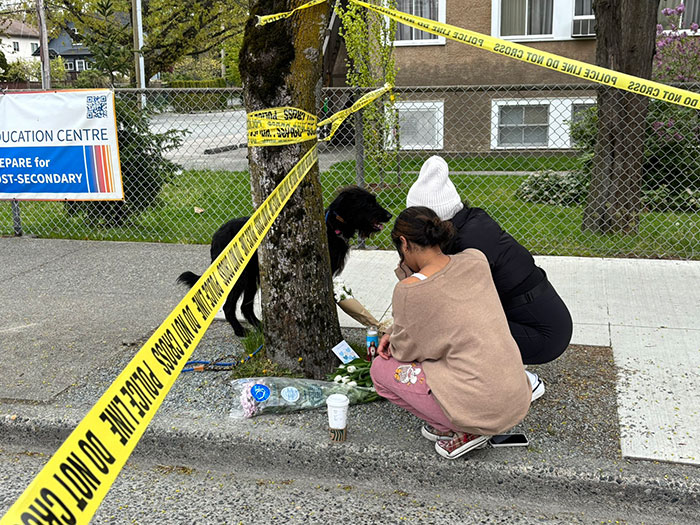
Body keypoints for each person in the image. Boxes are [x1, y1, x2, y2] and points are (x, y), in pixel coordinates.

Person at [405, 155, 573, 399]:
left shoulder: (467, 249)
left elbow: (445, 304)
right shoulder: (472, 221)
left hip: (544, 336)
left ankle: (521, 383)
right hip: (541, 319)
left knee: (452, 331)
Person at [370, 207, 531, 460]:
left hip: (481, 407)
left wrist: (395, 332)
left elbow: (404, 350)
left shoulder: (409, 290)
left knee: (380, 370)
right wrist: (398, 329)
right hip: (515, 396)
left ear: (403, 243)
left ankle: (462, 430)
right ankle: (464, 422)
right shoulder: (475, 259)